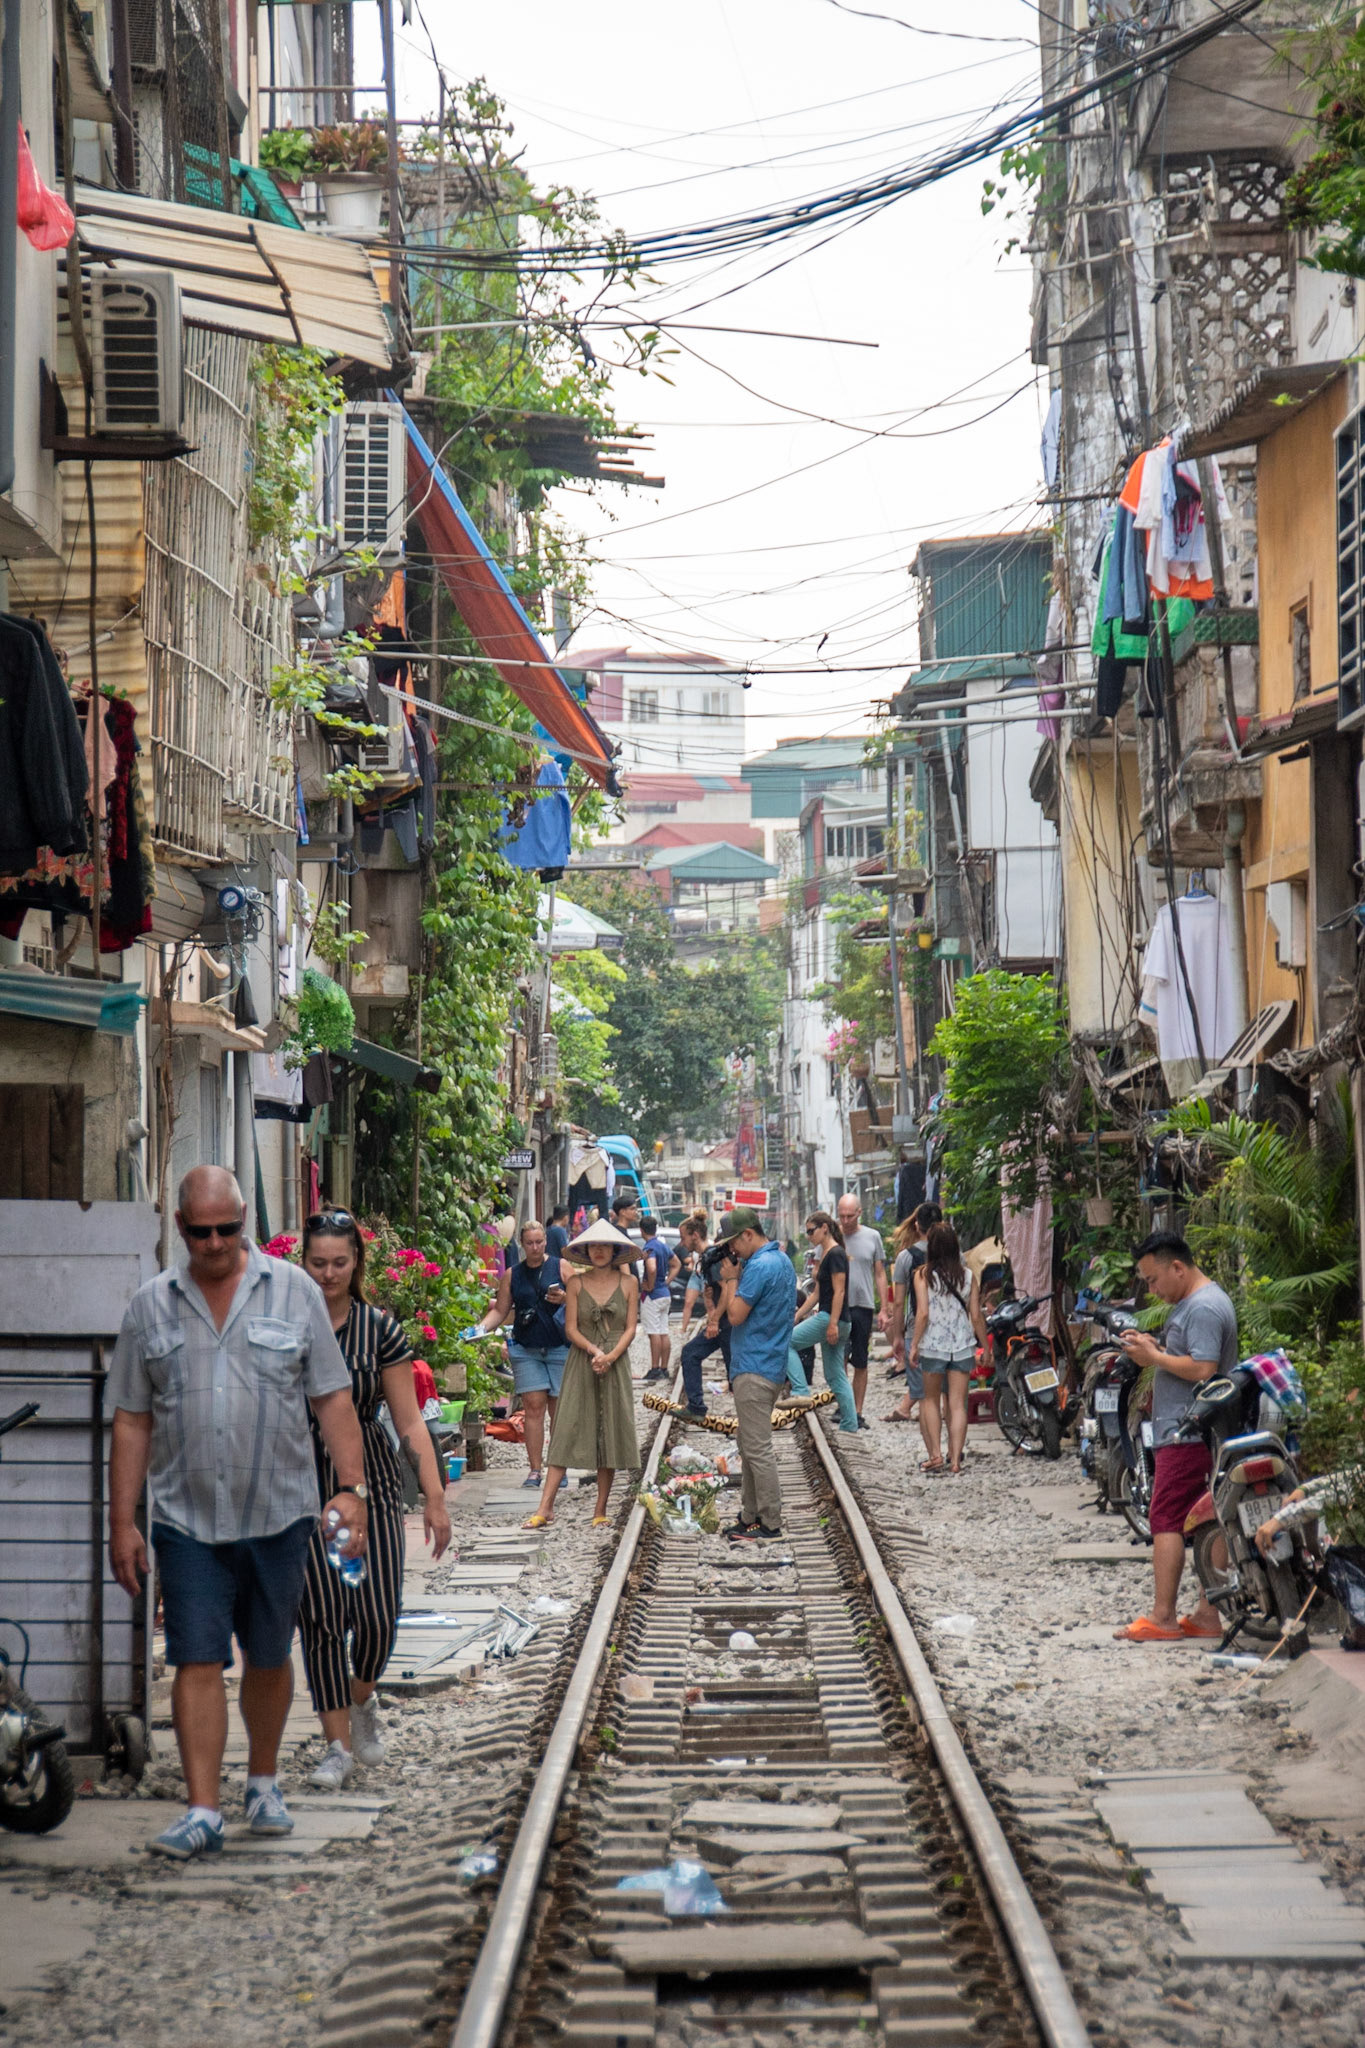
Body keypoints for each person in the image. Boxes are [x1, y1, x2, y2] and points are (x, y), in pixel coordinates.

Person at [107, 1168, 367, 1861]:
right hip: (186, 1516)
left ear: (244, 1219)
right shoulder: (149, 1307)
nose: (216, 1243)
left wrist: (352, 1489)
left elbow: (332, 1398)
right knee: (195, 1656)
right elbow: (131, 1420)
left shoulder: (294, 1292)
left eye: (228, 1229)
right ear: (181, 1227)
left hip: (278, 1510)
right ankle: (201, 1809)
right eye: (201, 1231)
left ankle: (261, 1780)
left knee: (269, 1652)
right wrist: (121, 1521)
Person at [298, 1211, 452, 1789]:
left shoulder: (377, 1329)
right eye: (318, 1263)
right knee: (320, 1615)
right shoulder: (285, 1323)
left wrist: (435, 1497)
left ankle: (363, 1697)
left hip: (372, 1483)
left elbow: (408, 1421)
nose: (329, 1273)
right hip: (304, 1483)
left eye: (340, 1262)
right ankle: (335, 1745)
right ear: (302, 1263)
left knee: (377, 1613)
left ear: (357, 1262)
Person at [1113, 1232, 1238, 1643]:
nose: (1151, 1289)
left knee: (1166, 1516)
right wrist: (1155, 1346)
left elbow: (1204, 1368)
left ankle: (1163, 1616)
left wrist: (1153, 1357)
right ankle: (1207, 1614)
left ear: (1178, 1268)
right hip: (1195, 1429)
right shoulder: (1199, 1302)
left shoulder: (1201, 1307)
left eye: (1152, 1280)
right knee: (1206, 1519)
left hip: (1188, 1430)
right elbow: (1188, 1356)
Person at [524, 1218, 641, 1529]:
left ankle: (600, 1509)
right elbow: (571, 1328)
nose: (599, 1251)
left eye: (605, 1245)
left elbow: (631, 1328)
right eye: (594, 1246)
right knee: (566, 1426)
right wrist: (594, 1351)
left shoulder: (629, 1283)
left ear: (616, 1250)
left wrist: (611, 1356)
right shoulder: (575, 1283)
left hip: (616, 1362)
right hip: (582, 1359)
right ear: (586, 1251)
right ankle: (545, 1506)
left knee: (610, 1431)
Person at [709, 1207, 796, 1542]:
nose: (732, 1251)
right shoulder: (783, 1261)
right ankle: (749, 1516)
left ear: (749, 1234)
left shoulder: (759, 1266)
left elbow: (734, 1316)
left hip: (755, 1367)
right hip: (770, 1363)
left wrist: (730, 1280)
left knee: (757, 1449)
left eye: (734, 1243)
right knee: (748, 1444)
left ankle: (770, 1522)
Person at [477, 1219, 569, 1488]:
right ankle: (535, 1469)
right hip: (527, 1347)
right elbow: (500, 1310)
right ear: (522, 1244)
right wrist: (478, 1329)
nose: (535, 1247)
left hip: (558, 1346)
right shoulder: (512, 1274)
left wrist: (564, 1298)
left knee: (558, 1410)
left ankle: (558, 1468)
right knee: (533, 1408)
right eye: (529, 1243)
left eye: (539, 1242)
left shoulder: (561, 1267)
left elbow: (581, 1299)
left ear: (545, 1241)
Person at [910, 1222, 988, 1475]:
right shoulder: (968, 1276)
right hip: (963, 1346)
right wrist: (985, 1345)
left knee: (930, 1400)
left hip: (933, 1346)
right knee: (957, 1405)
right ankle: (955, 1461)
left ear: (930, 1248)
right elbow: (976, 1315)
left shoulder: (922, 1275)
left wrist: (914, 1345)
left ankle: (935, 1456)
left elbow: (922, 1314)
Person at [785, 1212, 857, 1433]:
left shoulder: (835, 1253)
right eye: (806, 1231)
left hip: (830, 1318)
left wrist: (833, 1323)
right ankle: (849, 1424)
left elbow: (840, 1291)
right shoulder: (826, 1253)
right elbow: (816, 1293)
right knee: (835, 1375)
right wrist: (797, 1316)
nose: (808, 1236)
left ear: (824, 1228)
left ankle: (800, 1391)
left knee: (786, 1343)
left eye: (811, 1230)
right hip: (834, 1318)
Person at [835, 1194, 892, 1429]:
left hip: (863, 1306)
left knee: (860, 1360)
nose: (846, 1221)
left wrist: (884, 1309)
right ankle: (843, 1405)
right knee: (839, 1359)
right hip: (838, 1307)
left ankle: (857, 1410)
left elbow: (880, 1273)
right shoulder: (832, 1237)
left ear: (859, 1212)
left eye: (850, 1215)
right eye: (842, 1216)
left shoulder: (872, 1237)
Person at [884, 1203, 942, 1423]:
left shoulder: (906, 1258)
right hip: (947, 1329)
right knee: (942, 1383)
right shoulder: (955, 1255)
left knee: (920, 1384)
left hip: (915, 1327)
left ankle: (918, 1418)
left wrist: (898, 1336)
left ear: (917, 1225)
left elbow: (899, 1302)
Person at [677, 1212, 725, 1418]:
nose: (682, 1242)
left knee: (737, 1372)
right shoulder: (708, 1257)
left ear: (695, 1235)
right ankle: (696, 1406)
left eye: (683, 1237)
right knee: (690, 1353)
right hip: (724, 1320)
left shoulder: (712, 1257)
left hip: (728, 1321)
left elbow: (728, 1289)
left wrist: (714, 1320)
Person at [638, 1213, 675, 1382]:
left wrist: (650, 1285)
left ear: (641, 1230)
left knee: (654, 1333)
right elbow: (677, 1263)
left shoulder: (649, 1247)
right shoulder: (662, 1245)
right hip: (664, 1293)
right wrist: (666, 1281)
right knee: (663, 1331)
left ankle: (654, 1368)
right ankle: (664, 1368)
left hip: (652, 1296)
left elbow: (651, 1268)